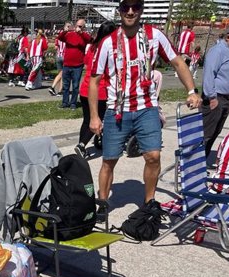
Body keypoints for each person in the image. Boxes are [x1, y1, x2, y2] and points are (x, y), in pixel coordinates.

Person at [89, 0, 201, 213]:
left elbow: (177, 62)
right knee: (109, 160)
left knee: (153, 156)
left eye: (135, 7)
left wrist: (191, 91)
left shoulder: (154, 35)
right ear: (119, 10)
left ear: (141, 10)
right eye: (125, 7)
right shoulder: (108, 42)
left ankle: (149, 203)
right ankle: (103, 202)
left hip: (147, 108)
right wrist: (95, 116)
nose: (130, 12)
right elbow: (94, 81)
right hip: (117, 110)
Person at [75, 21, 116, 159]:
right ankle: (82, 144)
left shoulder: (92, 47)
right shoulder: (109, 48)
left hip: (85, 87)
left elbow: (87, 62)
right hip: (100, 90)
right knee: (98, 119)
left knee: (87, 120)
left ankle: (81, 144)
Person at [201, 23, 229, 169]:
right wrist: (212, 97)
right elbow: (209, 74)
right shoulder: (217, 51)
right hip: (215, 98)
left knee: (215, 132)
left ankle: (201, 162)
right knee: (206, 133)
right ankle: (194, 165)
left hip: (224, 99)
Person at [57, 18, 91, 109]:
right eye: (77, 26)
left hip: (78, 65)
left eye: (80, 26)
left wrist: (81, 33)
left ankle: (73, 103)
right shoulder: (69, 34)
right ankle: (65, 102)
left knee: (75, 86)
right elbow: (60, 38)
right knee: (65, 85)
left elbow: (91, 40)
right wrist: (65, 31)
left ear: (83, 27)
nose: (77, 28)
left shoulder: (84, 36)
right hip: (67, 64)